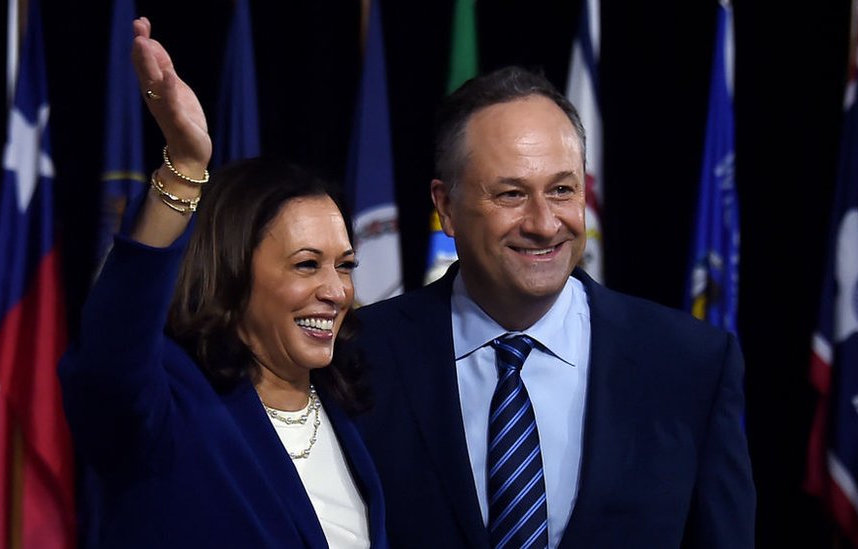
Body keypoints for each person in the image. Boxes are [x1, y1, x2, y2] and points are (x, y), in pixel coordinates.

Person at [353, 66, 756, 548]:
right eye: (511, 194)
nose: (544, 224)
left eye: (562, 190)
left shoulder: (690, 363)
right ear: (447, 206)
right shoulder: (360, 355)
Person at [58, 17, 387, 548]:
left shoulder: (352, 409)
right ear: (233, 273)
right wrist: (185, 168)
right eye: (307, 265)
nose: (336, 291)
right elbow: (108, 361)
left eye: (344, 264)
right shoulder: (173, 408)